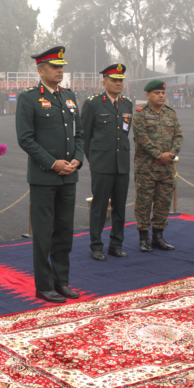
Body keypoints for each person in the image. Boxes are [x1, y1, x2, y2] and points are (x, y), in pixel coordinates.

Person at [15, 46, 84, 303]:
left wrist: (78, 158)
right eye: (54, 67)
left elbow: (79, 134)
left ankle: (61, 282)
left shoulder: (69, 96)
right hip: (45, 177)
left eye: (61, 66)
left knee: (64, 233)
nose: (60, 70)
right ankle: (44, 286)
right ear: (41, 70)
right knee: (44, 235)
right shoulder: (29, 98)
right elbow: (26, 139)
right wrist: (53, 163)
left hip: (69, 176)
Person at [80, 64, 133, 261]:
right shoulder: (93, 103)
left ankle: (116, 245)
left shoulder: (127, 104)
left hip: (122, 164)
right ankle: (96, 246)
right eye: (114, 80)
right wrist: (93, 160)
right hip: (102, 164)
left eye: (121, 80)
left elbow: (124, 132)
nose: (118, 83)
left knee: (120, 207)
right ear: (104, 83)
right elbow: (84, 136)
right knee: (100, 207)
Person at [132, 79, 183, 253]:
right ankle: (144, 237)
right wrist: (159, 155)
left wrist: (172, 154)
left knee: (163, 202)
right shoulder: (140, 114)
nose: (161, 95)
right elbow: (141, 138)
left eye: (162, 93)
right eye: (156, 93)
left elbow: (178, 136)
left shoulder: (171, 114)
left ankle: (158, 236)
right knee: (144, 203)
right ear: (148, 95)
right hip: (146, 168)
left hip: (166, 168)